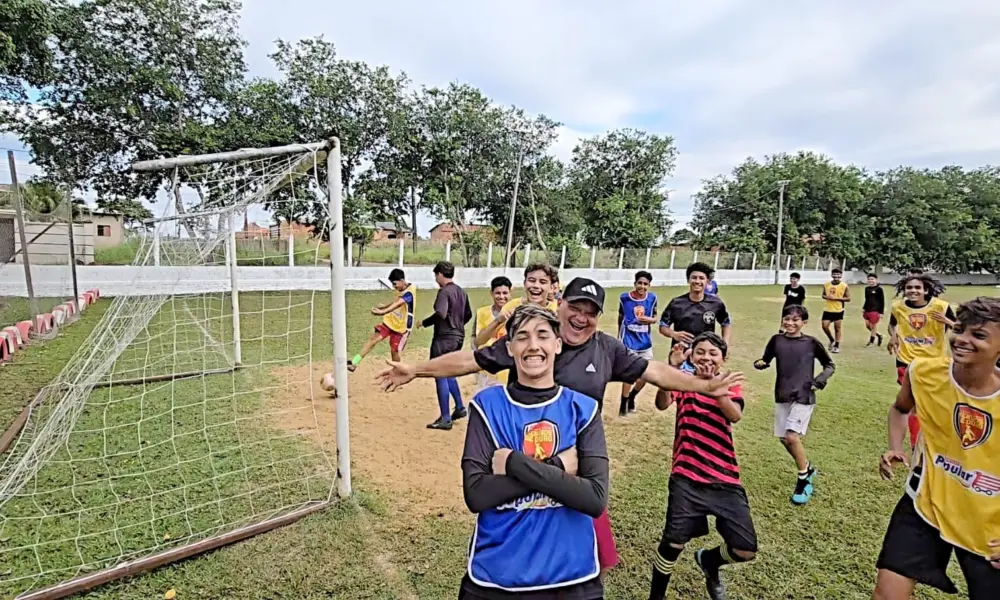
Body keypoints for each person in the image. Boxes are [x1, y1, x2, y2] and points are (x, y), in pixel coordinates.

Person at [377, 277, 744, 577]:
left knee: (585, 557)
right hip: (522, 466)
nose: (582, 318)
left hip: (576, 466)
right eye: (575, 308)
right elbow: (470, 360)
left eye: (591, 312)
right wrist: (416, 369)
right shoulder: (533, 342)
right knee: (520, 549)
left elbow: (655, 371)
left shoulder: (607, 349)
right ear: (561, 304)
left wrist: (702, 385)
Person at [460, 305, 608, 599]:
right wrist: (558, 465)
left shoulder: (583, 409)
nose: (533, 346)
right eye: (522, 337)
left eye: (542, 335)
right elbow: (477, 494)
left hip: (572, 577)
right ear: (510, 347)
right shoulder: (487, 406)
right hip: (496, 577)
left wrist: (514, 463)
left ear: (557, 344)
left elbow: (593, 498)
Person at [875, 297, 1000, 600]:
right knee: (886, 594)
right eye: (959, 329)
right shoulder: (924, 373)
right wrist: (895, 446)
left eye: (979, 335)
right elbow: (900, 409)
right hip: (925, 505)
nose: (962, 340)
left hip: (988, 527)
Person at [649, 332, 756, 600]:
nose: (706, 358)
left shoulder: (728, 384)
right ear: (691, 356)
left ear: (723, 358)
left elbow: (735, 415)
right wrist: (671, 369)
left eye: (713, 353)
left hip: (725, 478)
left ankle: (709, 560)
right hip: (686, 475)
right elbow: (662, 404)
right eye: (700, 352)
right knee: (673, 543)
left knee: (745, 549)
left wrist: (719, 393)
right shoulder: (684, 381)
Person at [754, 305, 836, 505]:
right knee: (784, 439)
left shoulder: (811, 343)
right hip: (782, 393)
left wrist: (820, 380)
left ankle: (803, 479)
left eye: (795, 320)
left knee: (792, 436)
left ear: (804, 323)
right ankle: (807, 467)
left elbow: (830, 365)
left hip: (803, 394)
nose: (790, 323)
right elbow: (766, 359)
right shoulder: (776, 340)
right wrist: (760, 364)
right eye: (787, 319)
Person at [887, 273, 955, 447]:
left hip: (934, 362)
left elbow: (961, 328)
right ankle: (916, 443)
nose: (913, 291)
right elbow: (892, 324)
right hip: (906, 360)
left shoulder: (941, 306)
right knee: (913, 404)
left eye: (918, 287)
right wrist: (893, 336)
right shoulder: (898, 306)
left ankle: (937, 436)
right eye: (909, 287)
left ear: (926, 290)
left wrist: (946, 320)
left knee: (932, 403)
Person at [418, 261, 472, 430]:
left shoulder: (444, 292)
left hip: (444, 338)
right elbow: (468, 314)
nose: (435, 279)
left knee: (439, 372)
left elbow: (441, 312)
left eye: (436, 275)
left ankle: (445, 418)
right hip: (458, 337)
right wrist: (457, 324)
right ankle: (460, 408)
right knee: (450, 371)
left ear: (440, 274)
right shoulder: (461, 292)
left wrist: (426, 322)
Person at [474, 263, 558, 348]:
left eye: (542, 282)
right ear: (524, 284)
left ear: (551, 287)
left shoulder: (557, 310)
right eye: (531, 280)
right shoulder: (511, 306)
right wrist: (498, 320)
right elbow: (479, 341)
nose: (536, 285)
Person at [348, 268, 415, 372]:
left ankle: (397, 371)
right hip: (389, 322)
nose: (394, 287)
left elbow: (398, 304)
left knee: (394, 351)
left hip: (401, 328)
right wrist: (384, 307)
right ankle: (354, 362)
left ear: (402, 280)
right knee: (373, 340)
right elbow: (395, 301)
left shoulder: (410, 293)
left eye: (395, 284)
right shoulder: (399, 289)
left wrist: (381, 312)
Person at [617, 271, 658, 417]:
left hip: (644, 342)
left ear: (649, 285)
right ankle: (623, 403)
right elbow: (620, 316)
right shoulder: (624, 298)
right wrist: (618, 337)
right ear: (635, 284)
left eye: (645, 284)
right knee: (630, 374)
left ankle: (633, 396)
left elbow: (654, 317)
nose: (642, 286)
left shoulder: (652, 298)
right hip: (628, 340)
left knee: (646, 375)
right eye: (639, 283)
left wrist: (651, 320)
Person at [471, 276, 512, 391]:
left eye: (505, 293)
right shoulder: (482, 313)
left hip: (508, 369)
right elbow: (476, 341)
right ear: (491, 293)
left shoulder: (516, 313)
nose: (501, 297)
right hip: (486, 367)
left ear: (510, 293)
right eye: (497, 293)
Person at [821, 268, 851, 353]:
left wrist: (836, 298)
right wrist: (827, 297)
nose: (836, 276)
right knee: (824, 326)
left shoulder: (844, 286)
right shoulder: (826, 284)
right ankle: (831, 340)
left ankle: (836, 346)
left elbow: (848, 299)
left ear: (841, 275)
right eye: (834, 274)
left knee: (837, 328)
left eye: (838, 274)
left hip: (838, 309)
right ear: (831, 275)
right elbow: (823, 295)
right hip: (827, 309)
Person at [863, 273, 886, 347]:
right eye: (869, 279)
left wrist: (881, 312)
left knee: (873, 326)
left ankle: (871, 342)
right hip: (867, 309)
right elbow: (866, 299)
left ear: (876, 280)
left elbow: (882, 301)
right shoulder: (867, 289)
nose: (870, 281)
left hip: (875, 310)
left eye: (872, 279)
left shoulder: (879, 289)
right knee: (867, 326)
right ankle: (879, 335)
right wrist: (864, 308)